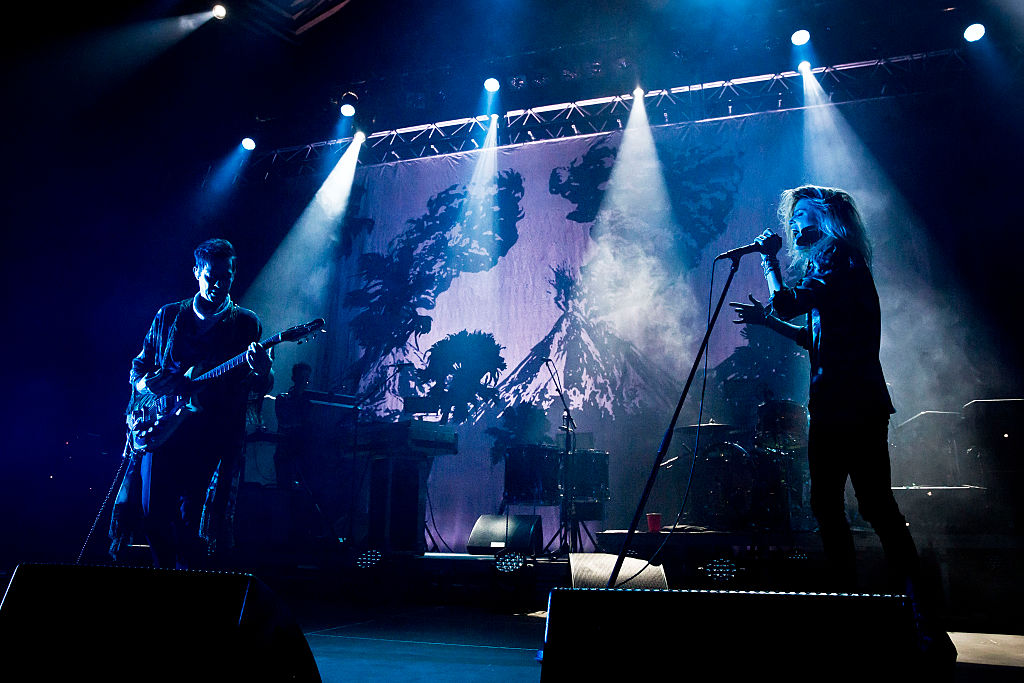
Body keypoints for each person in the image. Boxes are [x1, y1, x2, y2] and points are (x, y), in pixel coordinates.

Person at [730, 185, 955, 665]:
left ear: (829, 217)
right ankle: (889, 619)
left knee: (868, 508)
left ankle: (911, 620)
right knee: (848, 507)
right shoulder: (828, 265)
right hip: (838, 404)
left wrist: (769, 263)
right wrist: (769, 323)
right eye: (791, 218)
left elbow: (788, 303)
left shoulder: (837, 255)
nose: (793, 225)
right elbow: (817, 340)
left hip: (851, 405)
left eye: (803, 214)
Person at [129, 238, 273, 569]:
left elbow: (258, 384)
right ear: (196, 272)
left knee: (194, 518)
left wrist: (263, 372)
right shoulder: (168, 316)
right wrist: (143, 383)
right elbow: (140, 365)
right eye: (212, 275)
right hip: (163, 429)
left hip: (213, 435)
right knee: (153, 515)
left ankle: (187, 589)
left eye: (227, 275)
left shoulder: (246, 323)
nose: (220, 284)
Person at [274, 362, 313, 489]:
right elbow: (285, 421)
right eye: (301, 378)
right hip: (285, 452)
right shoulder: (282, 399)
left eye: (306, 379)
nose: (304, 382)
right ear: (294, 378)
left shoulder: (309, 402)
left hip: (302, 452)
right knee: (283, 489)